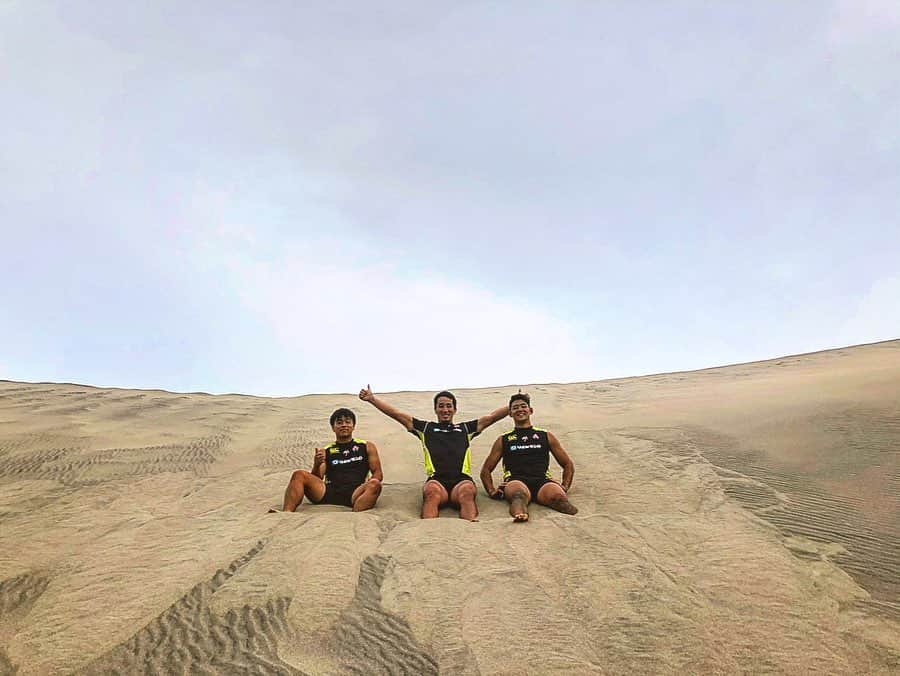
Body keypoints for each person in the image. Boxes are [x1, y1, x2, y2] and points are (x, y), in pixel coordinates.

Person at [359, 384, 508, 520]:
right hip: (437, 481)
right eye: (441, 406)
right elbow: (397, 414)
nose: (445, 410)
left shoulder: (465, 429)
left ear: (455, 410)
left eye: (449, 406)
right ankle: (428, 530)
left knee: (467, 493)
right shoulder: (425, 428)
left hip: (461, 480)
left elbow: (491, 418)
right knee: (431, 493)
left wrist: (515, 404)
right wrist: (372, 399)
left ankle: (471, 527)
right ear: (435, 409)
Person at [480, 392, 577, 522]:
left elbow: (567, 464)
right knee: (518, 496)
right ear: (510, 413)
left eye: (523, 406)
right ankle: (520, 515)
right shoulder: (504, 439)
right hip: (516, 480)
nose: (520, 409)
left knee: (559, 499)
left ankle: (577, 521)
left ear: (530, 410)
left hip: (542, 481)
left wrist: (565, 486)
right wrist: (491, 491)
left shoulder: (545, 435)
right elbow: (486, 470)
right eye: (515, 407)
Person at [280, 407, 383, 512]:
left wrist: (370, 484)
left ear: (353, 426)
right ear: (333, 428)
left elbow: (378, 473)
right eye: (339, 422)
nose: (344, 425)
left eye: (348, 422)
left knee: (375, 484)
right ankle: (286, 513)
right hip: (328, 491)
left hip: (355, 492)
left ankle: (355, 516)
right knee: (299, 474)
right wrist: (316, 464)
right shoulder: (326, 450)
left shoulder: (366, 446)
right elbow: (317, 478)